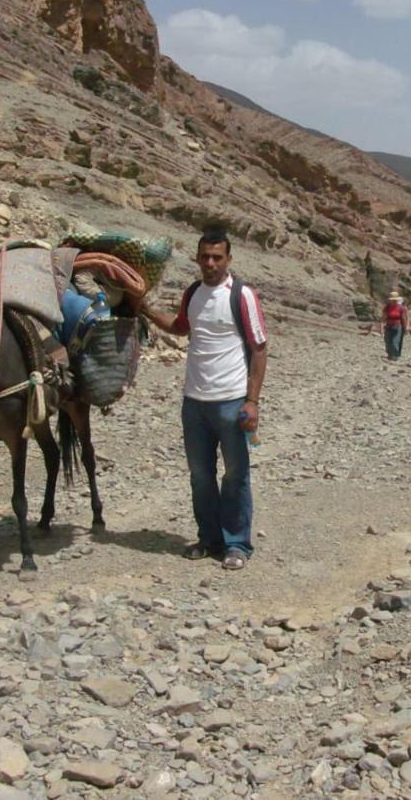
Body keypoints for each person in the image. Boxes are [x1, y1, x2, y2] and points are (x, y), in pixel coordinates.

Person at [141, 227, 268, 570]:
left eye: (217, 257)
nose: (210, 263)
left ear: (229, 259)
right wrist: (147, 310)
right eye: (205, 257)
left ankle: (237, 544)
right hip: (194, 402)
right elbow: (182, 326)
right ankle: (209, 539)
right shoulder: (193, 292)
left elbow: (259, 349)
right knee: (200, 475)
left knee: (235, 475)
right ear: (197, 258)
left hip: (231, 401)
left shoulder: (241, 295)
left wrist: (252, 402)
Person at [380, 290, 409, 360]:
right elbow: (383, 318)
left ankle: (395, 356)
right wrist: (381, 328)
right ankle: (390, 354)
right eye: (392, 300)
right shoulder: (387, 307)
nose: (394, 301)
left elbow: (404, 318)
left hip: (397, 326)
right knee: (388, 341)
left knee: (395, 342)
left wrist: (405, 328)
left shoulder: (401, 308)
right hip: (388, 326)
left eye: (395, 300)